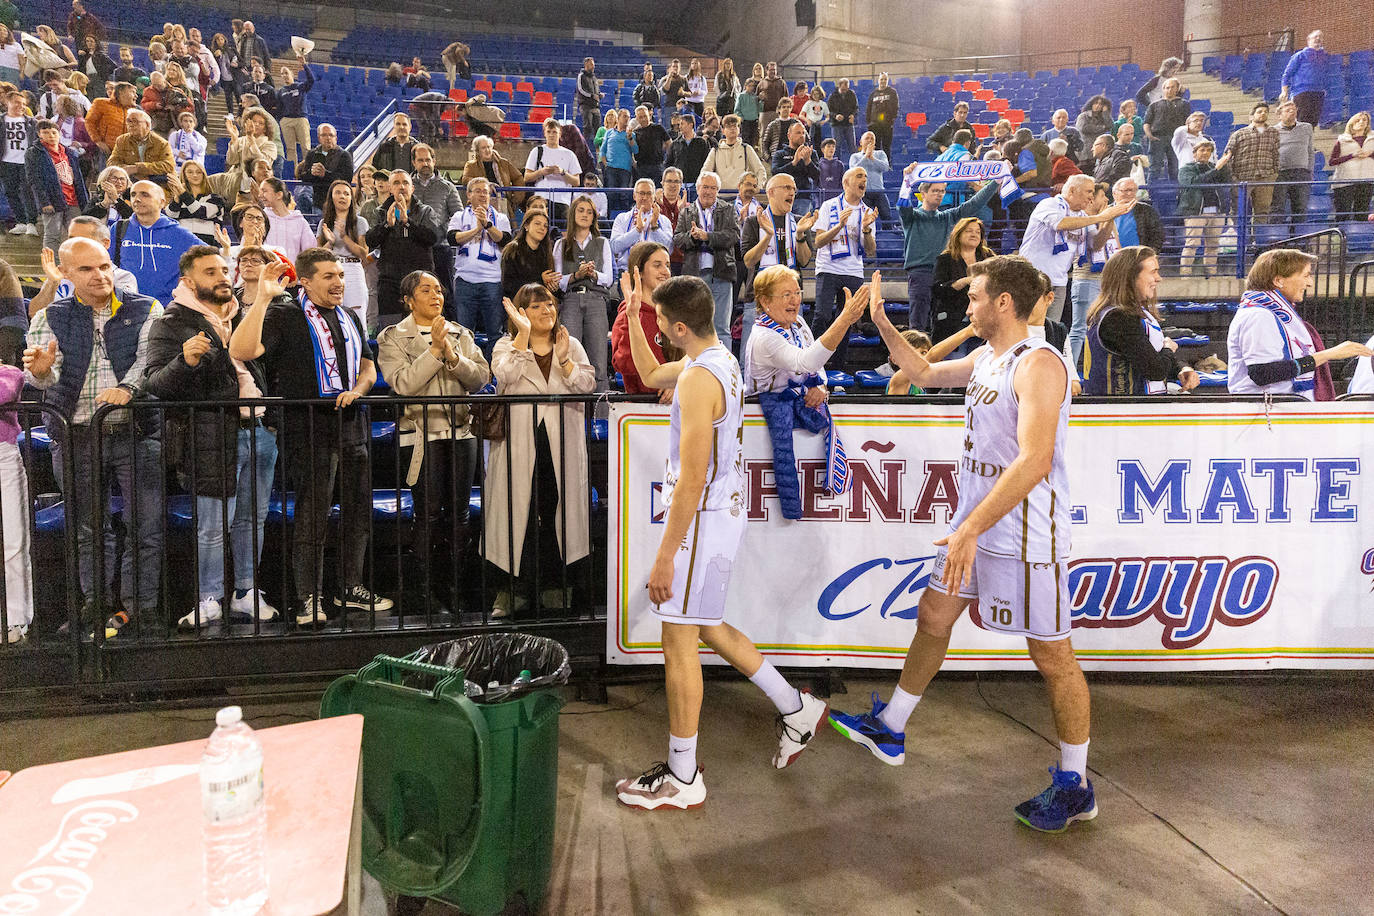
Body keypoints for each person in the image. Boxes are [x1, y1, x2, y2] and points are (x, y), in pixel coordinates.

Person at [831, 258, 1096, 834]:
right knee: (934, 613)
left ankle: (1076, 783)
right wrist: (880, 320)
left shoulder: (1041, 364)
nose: (967, 305)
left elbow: (1036, 460)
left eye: (975, 296)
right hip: (974, 523)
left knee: (1053, 658)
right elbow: (922, 371)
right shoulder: (986, 357)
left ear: (1004, 302)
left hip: (1025, 534)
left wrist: (971, 528)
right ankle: (893, 727)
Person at [615, 270, 829, 811]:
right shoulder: (717, 359)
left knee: (678, 644)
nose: (658, 329)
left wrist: (665, 555)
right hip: (721, 515)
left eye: (661, 322)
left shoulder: (696, 379)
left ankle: (683, 776)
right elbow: (646, 370)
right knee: (707, 625)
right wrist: (632, 308)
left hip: (702, 518)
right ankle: (794, 705)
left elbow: (691, 478)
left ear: (681, 326)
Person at [229, 248, 393, 623]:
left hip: (352, 425)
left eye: (340, 275)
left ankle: (351, 586)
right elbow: (240, 349)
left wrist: (361, 389)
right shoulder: (284, 315)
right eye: (328, 276)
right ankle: (308, 597)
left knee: (358, 512)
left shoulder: (351, 315)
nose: (338, 282)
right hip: (308, 430)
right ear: (305, 281)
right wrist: (264, 298)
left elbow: (368, 365)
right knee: (312, 518)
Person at [23, 236, 163, 638]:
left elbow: (149, 360)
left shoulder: (146, 307)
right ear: (65, 273)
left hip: (135, 431)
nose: (99, 275)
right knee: (87, 529)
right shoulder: (48, 316)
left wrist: (128, 390)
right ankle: (95, 604)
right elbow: (42, 377)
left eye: (103, 265)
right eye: (86, 269)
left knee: (146, 527)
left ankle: (143, 609)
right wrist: (44, 371)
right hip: (75, 435)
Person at [142, 245, 279, 628]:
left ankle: (246, 592)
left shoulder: (244, 312)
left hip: (259, 430)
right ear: (188, 281)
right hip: (210, 433)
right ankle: (209, 596)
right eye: (209, 272)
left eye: (223, 269)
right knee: (212, 525)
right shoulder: (171, 322)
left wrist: (272, 423)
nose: (221, 276)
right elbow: (155, 384)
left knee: (254, 520)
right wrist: (183, 361)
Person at [376, 269, 489, 606]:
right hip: (421, 436)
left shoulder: (461, 333)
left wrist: (452, 355)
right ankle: (424, 592)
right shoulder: (392, 337)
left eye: (439, 290)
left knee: (460, 514)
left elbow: (481, 377)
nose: (436, 296)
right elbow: (404, 384)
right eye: (426, 290)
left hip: (461, 433)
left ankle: (455, 588)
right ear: (408, 299)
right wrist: (435, 352)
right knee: (426, 515)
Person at [486, 283, 595, 617]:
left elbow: (588, 384)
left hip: (561, 443)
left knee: (556, 513)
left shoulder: (570, 343)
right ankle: (510, 592)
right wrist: (522, 337)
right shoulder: (506, 344)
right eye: (535, 307)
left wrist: (564, 362)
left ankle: (556, 586)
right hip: (520, 445)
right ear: (521, 312)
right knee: (516, 516)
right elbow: (504, 375)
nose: (546, 310)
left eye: (549, 304)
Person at [1227, 248, 1372, 400]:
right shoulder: (1258, 315)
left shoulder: (1272, 314)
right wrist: (1329, 354)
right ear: (1278, 281)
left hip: (1278, 408)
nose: (1309, 283)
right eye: (1306, 275)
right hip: (1265, 412)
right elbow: (1262, 373)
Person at [1083, 246, 1199, 395]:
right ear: (1131, 276)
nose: (1159, 278)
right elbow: (1154, 370)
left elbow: (1148, 355)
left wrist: (1181, 368)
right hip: (1121, 413)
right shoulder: (1119, 318)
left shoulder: (1121, 312)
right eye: (1153, 272)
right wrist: (1168, 348)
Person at [1018, 174, 1132, 324]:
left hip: (1058, 282)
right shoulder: (1049, 204)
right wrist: (1100, 217)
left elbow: (1096, 244)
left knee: (1051, 331)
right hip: (1033, 278)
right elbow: (1060, 223)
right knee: (1029, 327)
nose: (1091, 198)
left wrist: (1110, 218)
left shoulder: (1082, 215)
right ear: (1072, 190)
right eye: (1089, 192)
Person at [744, 261, 868, 398]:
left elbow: (817, 365)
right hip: (765, 414)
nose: (795, 300)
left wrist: (820, 385)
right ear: (765, 301)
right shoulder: (764, 337)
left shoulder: (799, 322)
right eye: (786, 294)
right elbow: (806, 362)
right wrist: (844, 320)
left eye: (797, 293)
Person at [898, 176, 999, 332]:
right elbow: (902, 205)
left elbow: (975, 203)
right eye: (935, 191)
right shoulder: (913, 216)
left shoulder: (948, 216)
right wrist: (906, 180)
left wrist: (996, 182)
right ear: (923, 194)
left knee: (940, 323)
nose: (940, 194)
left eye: (942, 191)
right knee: (918, 323)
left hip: (944, 274)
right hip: (921, 272)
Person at [740, 174, 819, 356]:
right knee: (751, 353)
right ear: (771, 192)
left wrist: (799, 235)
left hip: (790, 299)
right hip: (759, 298)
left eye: (793, 189)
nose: (792, 192)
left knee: (792, 354)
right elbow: (748, 261)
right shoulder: (753, 222)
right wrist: (767, 235)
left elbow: (805, 260)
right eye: (787, 188)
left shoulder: (799, 221)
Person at [810, 167, 877, 367]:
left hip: (853, 271)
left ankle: (838, 367)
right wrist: (838, 226)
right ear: (846, 183)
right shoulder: (829, 206)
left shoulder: (867, 212)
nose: (864, 179)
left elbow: (871, 251)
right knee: (822, 315)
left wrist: (865, 229)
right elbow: (818, 242)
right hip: (828, 268)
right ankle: (811, 361)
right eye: (859, 176)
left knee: (846, 320)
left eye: (865, 176)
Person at [553, 194, 613, 389]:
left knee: (598, 361)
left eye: (589, 212)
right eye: (581, 210)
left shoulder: (602, 242)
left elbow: (609, 278)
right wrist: (576, 276)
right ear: (573, 214)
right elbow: (558, 281)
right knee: (572, 356)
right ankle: (573, 413)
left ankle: (601, 416)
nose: (585, 215)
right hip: (570, 300)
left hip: (596, 300)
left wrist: (593, 273)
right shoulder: (561, 244)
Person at [366, 169, 438, 326]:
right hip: (389, 282)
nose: (402, 187)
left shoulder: (426, 211)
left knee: (422, 329)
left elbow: (433, 237)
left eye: (405, 183)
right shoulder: (380, 212)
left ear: (412, 188)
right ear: (390, 189)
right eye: (396, 183)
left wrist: (407, 222)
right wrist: (387, 225)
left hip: (419, 281)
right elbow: (370, 240)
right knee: (390, 330)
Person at [672, 170, 737, 343]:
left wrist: (708, 236)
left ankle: (723, 369)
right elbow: (678, 238)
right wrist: (692, 237)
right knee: (693, 326)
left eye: (713, 188)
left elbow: (733, 236)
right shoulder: (686, 212)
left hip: (721, 275)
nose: (708, 191)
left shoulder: (728, 209)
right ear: (698, 188)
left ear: (718, 191)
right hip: (694, 276)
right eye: (705, 187)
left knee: (721, 328)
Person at [448, 176, 512, 339]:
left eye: (486, 192)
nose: (483, 195)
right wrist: (476, 230)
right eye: (478, 191)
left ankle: (492, 364)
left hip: (492, 281)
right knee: (464, 333)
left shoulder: (501, 218)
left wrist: (487, 225)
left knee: (495, 333)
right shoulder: (459, 216)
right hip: (465, 281)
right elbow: (452, 238)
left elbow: (504, 240)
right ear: (468, 195)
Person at [0, 314, 32, 643]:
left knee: (14, 539)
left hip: (3, 454)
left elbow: (4, 391)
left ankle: (18, 620)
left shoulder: (9, 372)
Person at [611, 241, 676, 394]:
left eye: (667, 265)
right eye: (657, 265)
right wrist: (631, 317)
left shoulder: (675, 314)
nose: (665, 271)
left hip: (677, 406)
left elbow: (690, 361)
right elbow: (624, 365)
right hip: (642, 410)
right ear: (639, 272)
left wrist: (676, 386)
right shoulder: (625, 316)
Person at [1065, 182, 1117, 366]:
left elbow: (1115, 248)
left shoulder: (1102, 219)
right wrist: (1108, 218)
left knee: (1099, 330)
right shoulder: (1081, 219)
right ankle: (1070, 371)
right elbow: (1096, 244)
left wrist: (1109, 219)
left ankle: (1095, 369)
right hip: (1086, 280)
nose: (1106, 200)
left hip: (1104, 281)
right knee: (1079, 329)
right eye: (1102, 196)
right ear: (1092, 198)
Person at [316, 179, 371, 332]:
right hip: (330, 269)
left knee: (357, 316)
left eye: (347, 193)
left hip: (353, 269)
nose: (342, 196)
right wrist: (331, 242)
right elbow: (318, 254)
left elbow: (364, 253)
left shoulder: (360, 222)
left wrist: (345, 237)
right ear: (331, 197)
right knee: (332, 315)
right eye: (338, 193)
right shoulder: (324, 223)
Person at [27, 117, 89, 251]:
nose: (51, 136)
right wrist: (44, 202)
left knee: (78, 235)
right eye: (46, 132)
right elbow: (34, 179)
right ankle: (52, 267)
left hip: (73, 199)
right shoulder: (34, 153)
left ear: (59, 134)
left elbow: (78, 179)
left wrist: (83, 200)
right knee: (52, 235)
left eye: (54, 132)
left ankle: (75, 266)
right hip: (53, 199)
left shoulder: (69, 152)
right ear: (39, 134)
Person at [932, 216, 994, 347]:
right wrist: (963, 282)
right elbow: (937, 290)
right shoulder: (945, 259)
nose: (974, 234)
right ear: (958, 234)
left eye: (978, 232)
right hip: (954, 322)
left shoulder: (988, 257)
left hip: (984, 321)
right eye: (969, 231)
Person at [1178, 142, 1232, 277]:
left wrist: (1223, 165)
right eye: (1202, 150)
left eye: (1209, 150)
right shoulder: (1186, 169)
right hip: (1196, 212)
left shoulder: (1215, 167)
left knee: (1213, 245)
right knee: (1192, 244)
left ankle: (1211, 274)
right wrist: (1216, 169)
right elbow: (1193, 183)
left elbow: (1227, 181)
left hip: (1216, 212)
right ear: (1194, 153)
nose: (1206, 153)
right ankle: (1185, 276)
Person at [1224, 102, 1280, 221]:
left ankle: (1258, 239)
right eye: (1259, 111)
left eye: (1266, 111)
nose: (1263, 113)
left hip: (1265, 177)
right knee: (1238, 210)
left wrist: (1274, 174)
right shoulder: (1239, 134)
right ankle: (1239, 237)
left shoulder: (1274, 133)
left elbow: (1275, 154)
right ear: (1251, 116)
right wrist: (1233, 177)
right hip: (1242, 178)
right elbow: (1227, 156)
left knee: (1263, 211)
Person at [524, 118, 581, 225]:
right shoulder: (536, 151)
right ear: (544, 133)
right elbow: (526, 177)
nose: (551, 135)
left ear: (560, 134)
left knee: (563, 233)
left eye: (554, 132)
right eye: (548, 132)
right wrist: (541, 172)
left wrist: (562, 172)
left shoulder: (569, 154)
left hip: (562, 201)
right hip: (541, 200)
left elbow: (576, 182)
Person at [611, 178, 673, 273]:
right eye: (641, 193)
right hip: (627, 270)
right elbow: (615, 247)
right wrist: (637, 230)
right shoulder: (622, 218)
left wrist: (655, 226)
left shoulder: (664, 220)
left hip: (655, 272)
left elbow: (669, 249)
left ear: (654, 197)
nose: (644, 197)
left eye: (649, 194)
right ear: (634, 196)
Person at [461, 134, 526, 218]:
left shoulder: (504, 163)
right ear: (477, 150)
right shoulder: (471, 165)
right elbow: (465, 179)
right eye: (483, 148)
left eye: (489, 147)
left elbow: (518, 177)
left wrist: (516, 198)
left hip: (504, 202)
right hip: (480, 203)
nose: (487, 150)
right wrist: (486, 184)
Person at [500, 208, 558, 301]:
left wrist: (552, 286)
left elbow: (546, 286)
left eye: (545, 226)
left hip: (540, 302)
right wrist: (540, 280)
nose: (542, 228)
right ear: (526, 226)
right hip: (519, 303)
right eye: (537, 224)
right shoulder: (512, 249)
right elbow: (509, 285)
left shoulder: (546, 252)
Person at [1, 91, 36, 236]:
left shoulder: (31, 122)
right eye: (17, 102)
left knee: (28, 192)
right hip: (6, 162)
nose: (20, 106)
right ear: (7, 102)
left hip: (26, 162)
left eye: (23, 104)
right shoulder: (1, 121)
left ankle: (31, 223)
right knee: (11, 192)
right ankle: (20, 221)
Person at [702, 113, 766, 192]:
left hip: (741, 196)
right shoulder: (715, 150)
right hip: (721, 196)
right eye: (729, 126)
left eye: (735, 126)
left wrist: (758, 187)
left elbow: (760, 170)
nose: (732, 129)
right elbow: (705, 172)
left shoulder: (746, 148)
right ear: (723, 130)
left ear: (739, 129)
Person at [108, 108, 174, 184]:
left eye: (135, 121)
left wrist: (137, 168)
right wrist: (129, 170)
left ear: (147, 125)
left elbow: (168, 165)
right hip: (130, 181)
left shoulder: (161, 143)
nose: (131, 125)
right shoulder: (122, 140)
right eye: (128, 121)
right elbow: (112, 162)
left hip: (156, 183)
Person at [1274, 101, 1313, 228]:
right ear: (1279, 115)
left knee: (1301, 207)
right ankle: (1277, 240)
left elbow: (1310, 150)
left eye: (1294, 109)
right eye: (1288, 110)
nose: (1292, 112)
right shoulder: (1272, 131)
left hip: (1302, 173)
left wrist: (1309, 171)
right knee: (1277, 207)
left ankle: (1298, 241)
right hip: (1280, 174)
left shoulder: (1306, 127)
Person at [1329, 111, 1374, 222]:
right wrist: (1351, 156)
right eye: (1358, 120)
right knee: (1343, 213)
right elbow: (1332, 161)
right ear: (1352, 123)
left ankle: (1359, 237)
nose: (1361, 122)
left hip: (1366, 180)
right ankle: (1340, 237)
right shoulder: (1341, 140)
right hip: (1345, 181)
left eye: (1364, 120)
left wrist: (1371, 154)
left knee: (1362, 213)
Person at [1142, 78, 1189, 181]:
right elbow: (1146, 123)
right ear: (1163, 89)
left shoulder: (1184, 104)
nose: (1169, 90)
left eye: (1172, 87)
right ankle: (1150, 194)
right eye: (1167, 87)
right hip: (1158, 138)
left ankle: (1177, 194)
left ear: (1177, 89)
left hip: (1176, 139)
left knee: (1175, 168)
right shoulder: (1154, 105)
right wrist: (1150, 136)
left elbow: (1188, 122)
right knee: (1154, 168)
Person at [259, 177, 315, 263]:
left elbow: (310, 251)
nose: (260, 195)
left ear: (279, 195)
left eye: (264, 191)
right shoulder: (260, 219)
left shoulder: (299, 221)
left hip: (292, 273)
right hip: (267, 272)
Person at [1280, 30, 1329, 127]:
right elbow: (1287, 74)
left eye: (1320, 37)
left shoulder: (1324, 56)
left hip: (1318, 93)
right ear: (1308, 40)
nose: (1318, 39)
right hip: (1301, 92)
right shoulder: (1300, 55)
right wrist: (1284, 91)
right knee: (1300, 122)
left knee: (1312, 124)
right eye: (1315, 37)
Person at [169, 160, 226, 243]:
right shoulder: (179, 199)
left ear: (203, 174)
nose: (195, 175)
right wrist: (177, 198)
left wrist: (182, 192)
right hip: (182, 242)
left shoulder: (215, 199)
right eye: (190, 172)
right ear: (184, 175)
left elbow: (201, 212)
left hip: (208, 245)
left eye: (198, 172)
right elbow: (170, 217)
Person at [771, 121, 821, 215]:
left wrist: (807, 161)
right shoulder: (780, 154)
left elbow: (817, 176)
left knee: (801, 227)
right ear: (789, 135)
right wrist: (794, 162)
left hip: (803, 198)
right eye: (798, 133)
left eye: (803, 133)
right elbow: (775, 173)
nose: (802, 135)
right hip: (782, 198)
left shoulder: (811, 153)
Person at [850, 130, 894, 227]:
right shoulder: (855, 156)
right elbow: (854, 170)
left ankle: (888, 239)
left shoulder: (881, 154)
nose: (870, 140)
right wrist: (866, 156)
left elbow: (885, 167)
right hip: (863, 193)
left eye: (872, 139)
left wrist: (872, 158)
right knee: (866, 219)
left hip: (879, 191)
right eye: (867, 138)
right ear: (861, 142)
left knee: (887, 217)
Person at [1110, 177, 1164, 251]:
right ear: (1114, 193)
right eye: (1126, 190)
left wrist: (1150, 253)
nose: (1130, 193)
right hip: (1112, 258)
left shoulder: (1147, 210)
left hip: (1139, 257)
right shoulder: (1106, 211)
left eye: (1133, 190)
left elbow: (1158, 235)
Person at [629, 105, 669, 185]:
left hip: (657, 166)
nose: (643, 119)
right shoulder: (635, 132)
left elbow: (669, 143)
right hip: (641, 167)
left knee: (659, 191)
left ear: (649, 115)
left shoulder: (658, 128)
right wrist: (634, 163)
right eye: (640, 117)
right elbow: (632, 149)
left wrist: (666, 159)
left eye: (645, 116)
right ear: (637, 118)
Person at [665, 113, 709, 185]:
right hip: (680, 183)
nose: (680, 127)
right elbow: (669, 163)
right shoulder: (675, 143)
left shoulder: (701, 142)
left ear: (690, 125)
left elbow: (706, 162)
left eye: (682, 124)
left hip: (697, 182)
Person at [755, 61, 787, 144]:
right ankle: (764, 155)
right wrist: (759, 97)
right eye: (771, 69)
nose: (773, 71)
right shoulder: (762, 83)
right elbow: (756, 98)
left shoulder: (781, 82)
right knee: (764, 134)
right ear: (766, 70)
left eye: (774, 70)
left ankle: (774, 153)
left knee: (777, 134)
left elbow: (785, 98)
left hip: (777, 112)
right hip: (764, 113)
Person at [828, 77, 858, 161]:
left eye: (847, 88)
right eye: (843, 88)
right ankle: (837, 164)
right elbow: (828, 111)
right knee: (836, 146)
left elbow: (856, 108)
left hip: (848, 124)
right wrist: (835, 116)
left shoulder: (851, 94)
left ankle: (855, 164)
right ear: (839, 86)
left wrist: (853, 115)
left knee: (852, 146)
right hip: (836, 124)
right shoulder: (833, 96)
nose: (845, 90)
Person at [76, 36, 114, 100]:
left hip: (98, 80)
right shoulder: (84, 56)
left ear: (96, 43)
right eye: (87, 41)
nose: (89, 43)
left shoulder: (101, 55)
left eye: (91, 41)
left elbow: (112, 66)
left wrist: (103, 76)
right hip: (87, 80)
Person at [576, 57, 601, 138]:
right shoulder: (581, 76)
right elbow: (581, 90)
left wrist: (599, 95)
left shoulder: (594, 77)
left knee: (598, 129)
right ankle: (584, 147)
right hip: (585, 106)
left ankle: (598, 148)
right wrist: (592, 96)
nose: (593, 66)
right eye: (591, 65)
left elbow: (596, 91)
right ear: (586, 65)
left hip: (595, 106)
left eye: (593, 65)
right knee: (588, 127)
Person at [801, 85, 829, 149]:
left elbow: (828, 116)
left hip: (817, 125)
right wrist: (807, 120)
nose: (816, 96)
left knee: (818, 144)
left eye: (817, 94)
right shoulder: (809, 103)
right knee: (807, 142)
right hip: (809, 125)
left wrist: (824, 121)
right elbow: (801, 115)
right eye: (814, 94)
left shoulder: (823, 104)